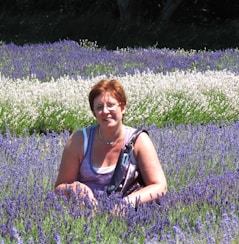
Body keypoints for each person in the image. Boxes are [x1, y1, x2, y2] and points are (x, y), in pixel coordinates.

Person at [54, 79, 167, 209]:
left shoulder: (138, 140)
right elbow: (59, 187)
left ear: (122, 107)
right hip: (85, 216)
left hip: (128, 216)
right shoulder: (78, 141)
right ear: (94, 113)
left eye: (111, 105)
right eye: (99, 107)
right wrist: (75, 188)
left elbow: (160, 186)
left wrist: (127, 203)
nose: (105, 111)